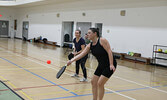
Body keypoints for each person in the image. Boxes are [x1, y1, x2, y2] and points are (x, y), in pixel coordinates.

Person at [67, 28, 117, 100]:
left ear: (95, 34)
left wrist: (111, 64)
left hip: (109, 64)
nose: (87, 34)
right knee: (93, 82)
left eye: (89, 33)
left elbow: (109, 51)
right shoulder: (90, 45)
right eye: (87, 33)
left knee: (100, 83)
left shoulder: (102, 40)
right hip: (101, 65)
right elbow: (82, 54)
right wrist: (71, 60)